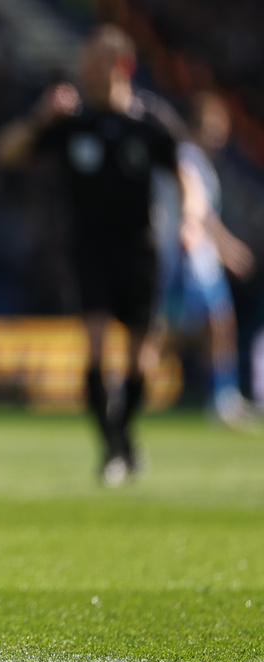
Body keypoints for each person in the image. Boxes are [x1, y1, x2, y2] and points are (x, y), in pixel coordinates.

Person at [0, 25, 205, 486]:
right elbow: (5, 154)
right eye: (85, 63)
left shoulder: (150, 122)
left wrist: (189, 221)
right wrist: (40, 118)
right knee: (93, 346)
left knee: (143, 359)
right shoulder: (71, 121)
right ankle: (110, 449)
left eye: (95, 64)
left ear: (121, 67)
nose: (86, 72)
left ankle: (123, 437)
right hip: (88, 248)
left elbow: (186, 177)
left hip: (140, 249)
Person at [151, 91, 258, 429]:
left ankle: (223, 398)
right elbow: (202, 214)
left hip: (200, 259)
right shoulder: (185, 157)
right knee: (186, 330)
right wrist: (229, 249)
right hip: (186, 258)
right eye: (215, 125)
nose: (221, 133)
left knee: (216, 323)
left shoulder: (198, 161)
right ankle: (130, 384)